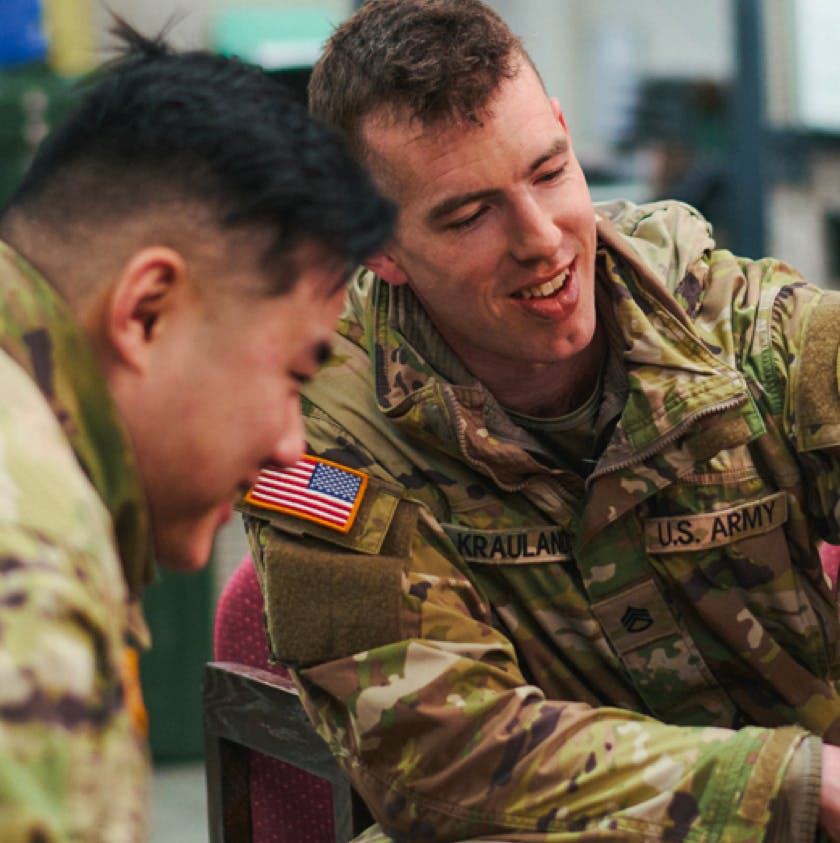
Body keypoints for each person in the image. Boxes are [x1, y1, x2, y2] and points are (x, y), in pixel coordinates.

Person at [240, 1, 840, 840]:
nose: (542, 239)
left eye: (551, 172)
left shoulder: (735, 322)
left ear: (563, 131)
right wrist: (793, 783)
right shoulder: (317, 438)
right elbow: (440, 754)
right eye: (470, 215)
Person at [0, 20, 394, 842]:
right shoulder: (33, 581)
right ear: (146, 311)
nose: (290, 443)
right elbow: (330, 499)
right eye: (290, 376)